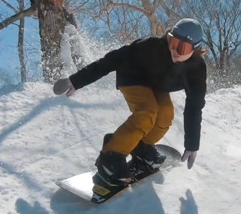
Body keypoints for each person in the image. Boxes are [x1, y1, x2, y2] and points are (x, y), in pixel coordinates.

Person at [52, 18, 207, 196]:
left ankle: (142, 148)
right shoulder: (151, 47)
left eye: (183, 47)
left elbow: (194, 106)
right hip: (132, 77)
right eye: (173, 42)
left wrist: (192, 143)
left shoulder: (197, 70)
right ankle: (110, 156)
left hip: (156, 86)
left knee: (165, 115)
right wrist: (76, 80)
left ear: (195, 49)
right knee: (147, 112)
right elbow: (111, 60)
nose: (175, 50)